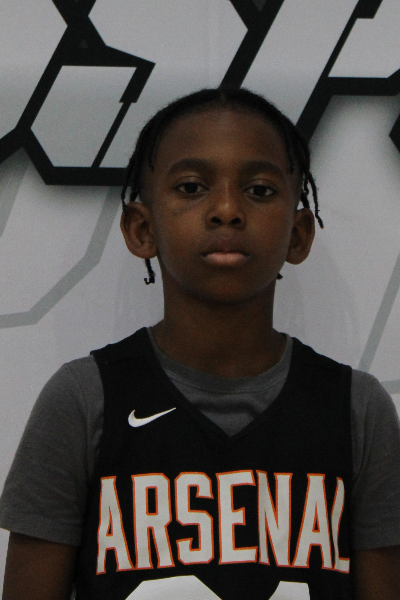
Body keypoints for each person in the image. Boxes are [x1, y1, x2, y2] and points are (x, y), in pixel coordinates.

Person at [1, 88, 400, 600]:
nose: (227, 210)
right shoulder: (83, 399)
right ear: (142, 229)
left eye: (259, 190)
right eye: (191, 187)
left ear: (299, 234)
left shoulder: (356, 410)